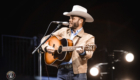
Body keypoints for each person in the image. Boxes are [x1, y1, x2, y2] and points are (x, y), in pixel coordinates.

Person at [40, 5, 96, 80]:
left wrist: (83, 52)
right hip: (61, 71)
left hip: (78, 73)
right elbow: (44, 39)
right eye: (70, 18)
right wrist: (46, 47)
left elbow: (89, 54)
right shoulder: (63, 30)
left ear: (80, 21)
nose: (69, 20)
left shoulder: (88, 37)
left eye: (73, 18)